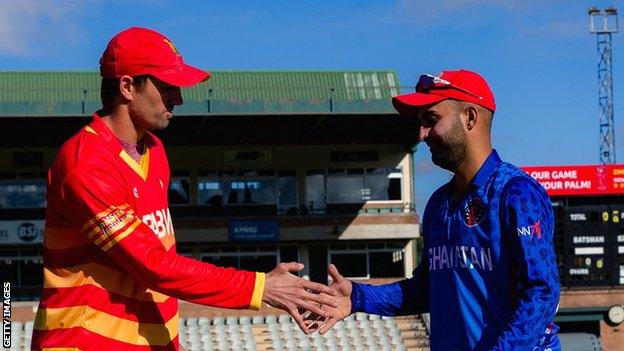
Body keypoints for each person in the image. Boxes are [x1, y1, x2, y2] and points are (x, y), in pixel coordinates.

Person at [31, 27, 337, 351]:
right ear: (127, 87)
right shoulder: (87, 164)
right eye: (167, 88)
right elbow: (153, 266)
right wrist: (259, 287)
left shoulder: (155, 151)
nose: (178, 99)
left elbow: (161, 260)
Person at [313, 69, 560, 350]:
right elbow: (426, 290)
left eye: (431, 120)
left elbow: (542, 292)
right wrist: (357, 297)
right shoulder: (439, 205)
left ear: (470, 117)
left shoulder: (516, 194)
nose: (422, 134)